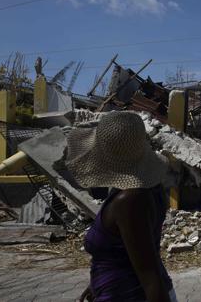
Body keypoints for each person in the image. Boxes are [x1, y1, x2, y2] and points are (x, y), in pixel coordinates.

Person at [66, 111, 177, 302]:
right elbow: (129, 254)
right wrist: (97, 283)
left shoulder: (130, 201)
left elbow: (149, 276)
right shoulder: (148, 187)